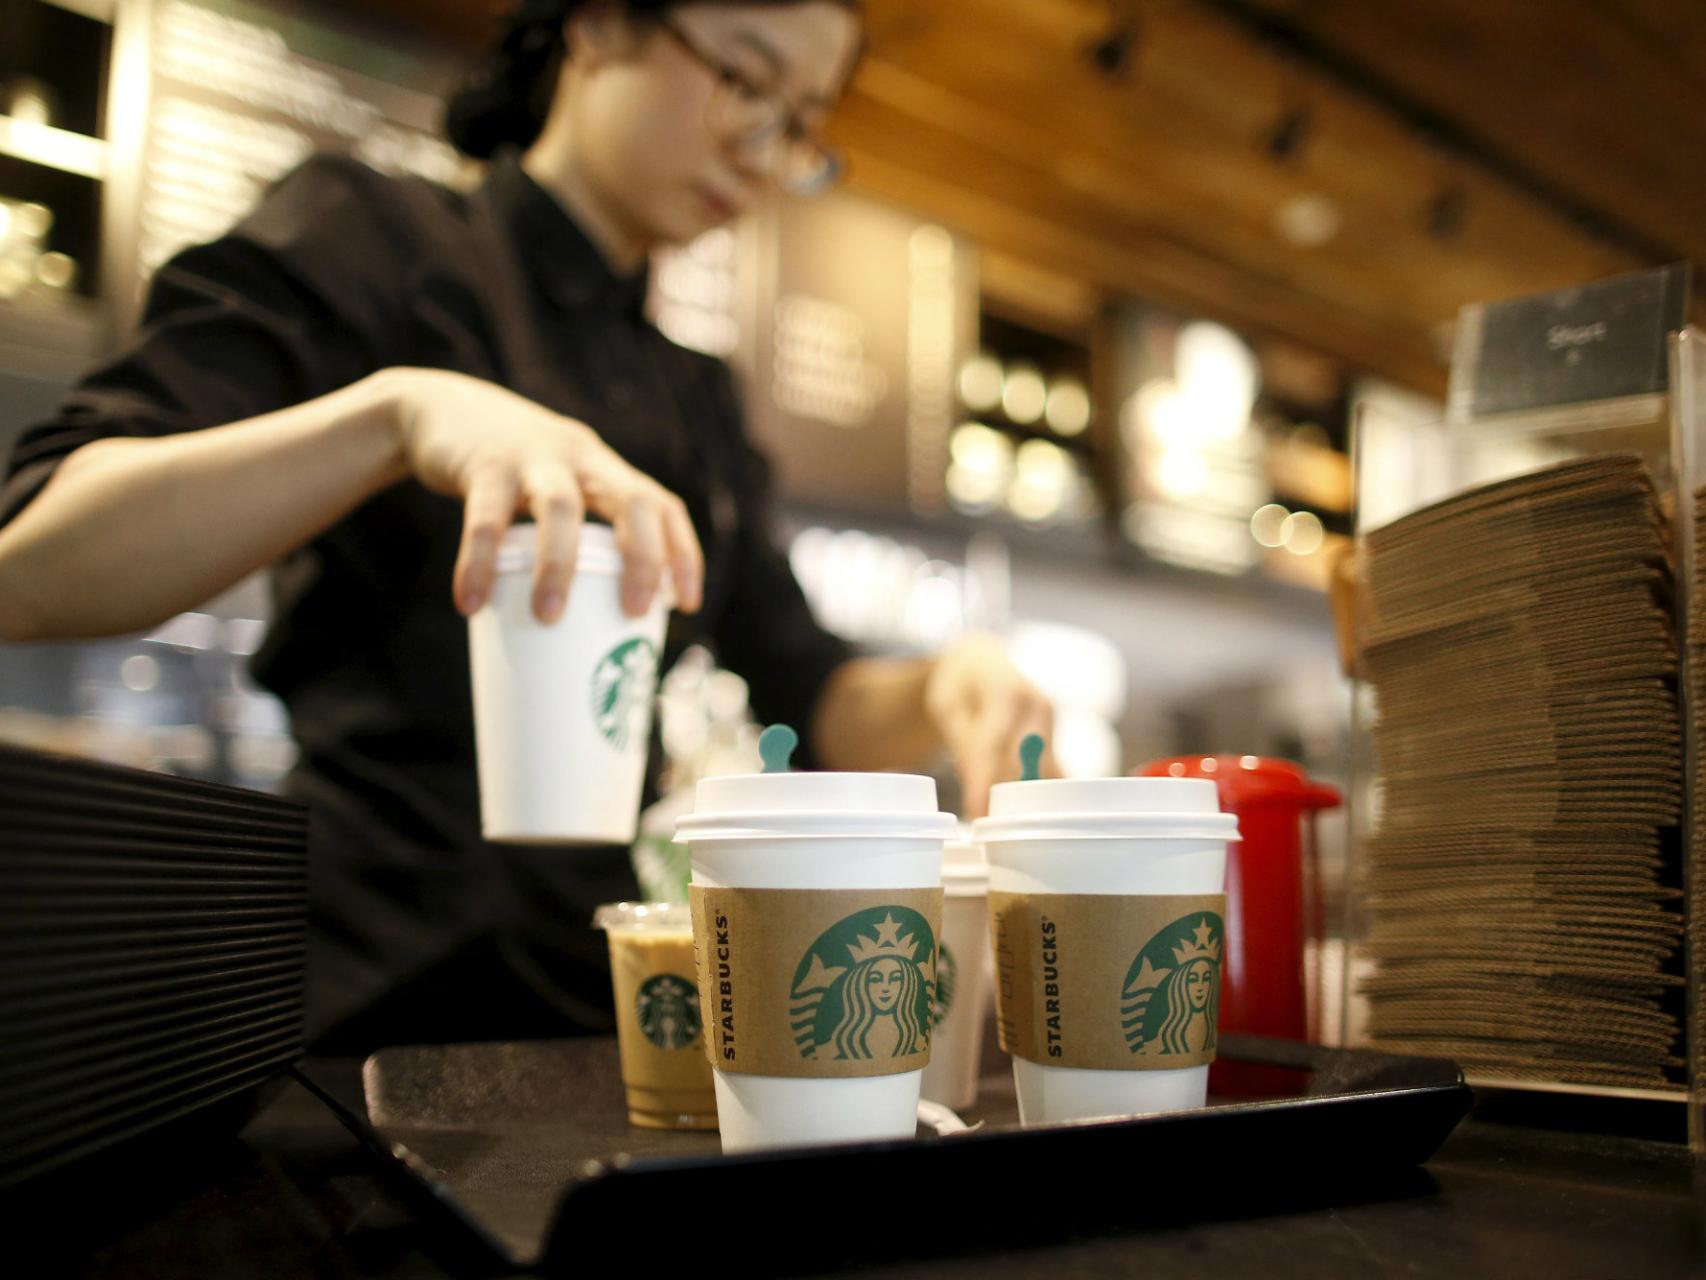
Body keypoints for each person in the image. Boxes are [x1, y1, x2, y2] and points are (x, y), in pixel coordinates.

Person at [0, 0, 1052, 1051]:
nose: (761, 146)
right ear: (595, 27)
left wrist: (934, 682)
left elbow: (806, 689)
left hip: (600, 1015)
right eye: (742, 78)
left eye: (799, 120)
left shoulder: (692, 395)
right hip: (349, 999)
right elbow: (33, 564)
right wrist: (397, 417)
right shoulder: (368, 238)